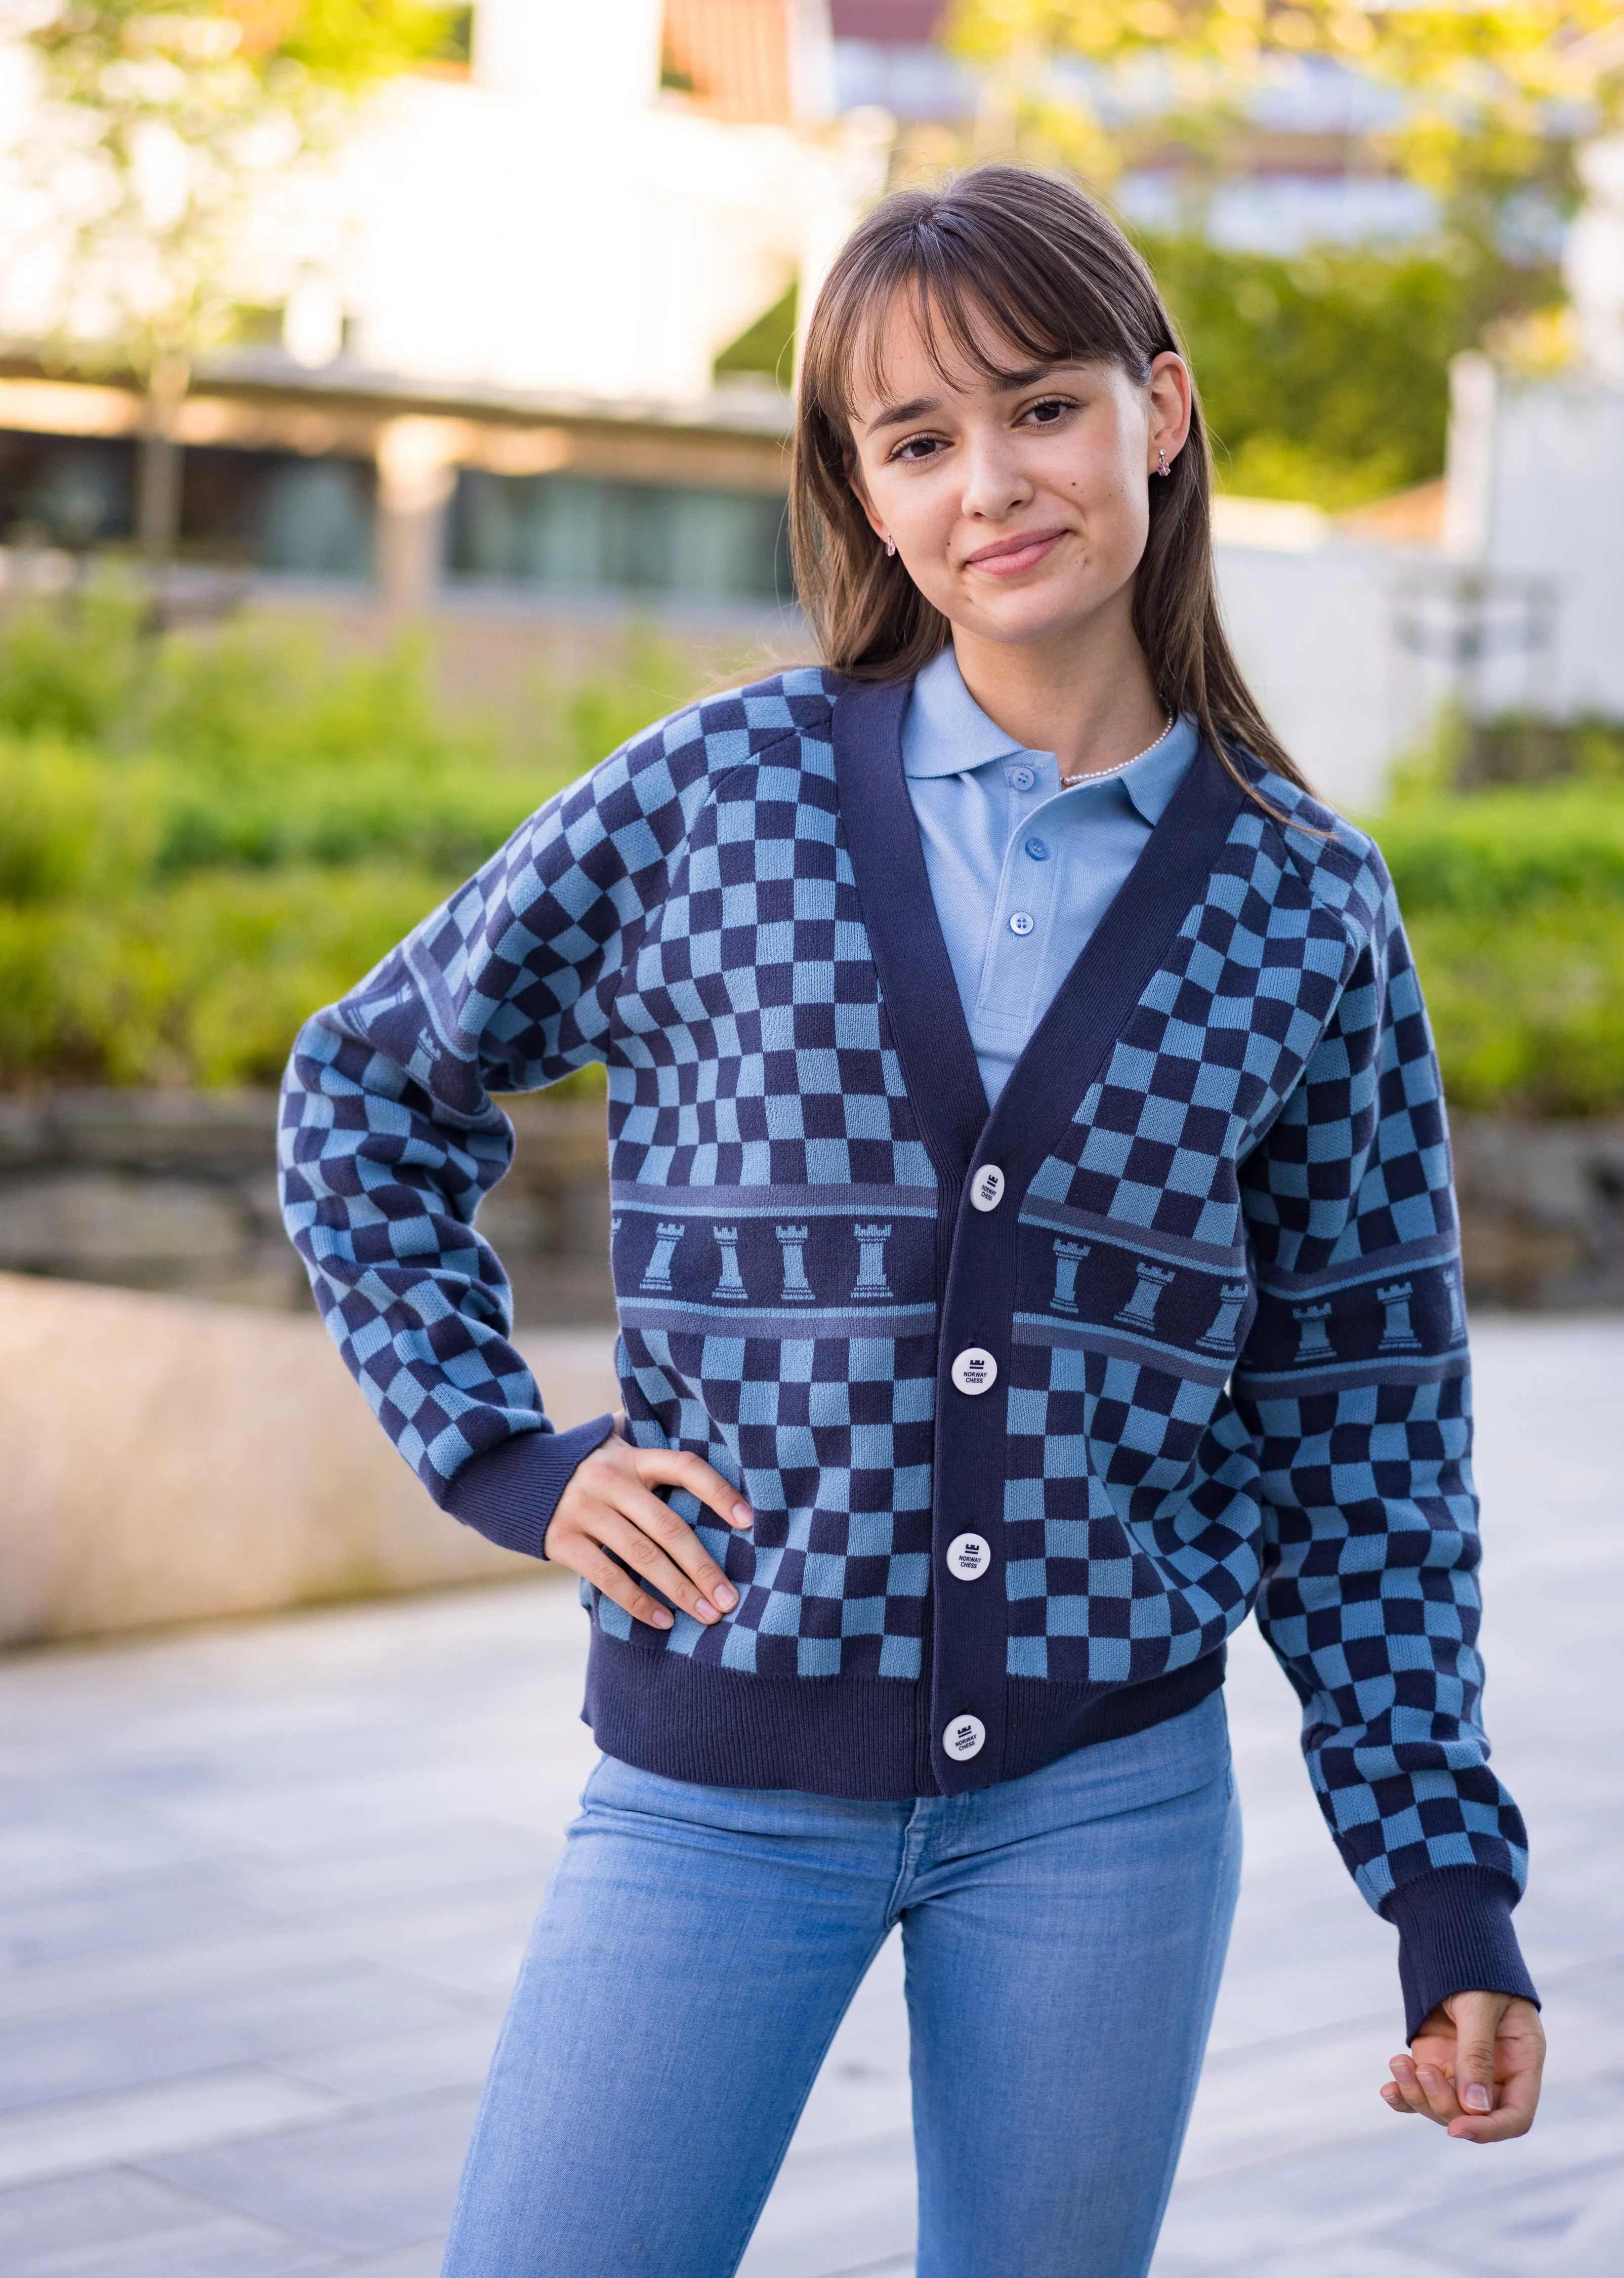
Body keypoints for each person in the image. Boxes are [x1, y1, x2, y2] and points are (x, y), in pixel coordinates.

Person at [278, 164, 1544, 2278]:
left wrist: (1442, 1888)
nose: (991, 487)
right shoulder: (714, 799)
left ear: (1159, 409)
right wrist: (505, 1453)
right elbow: (364, 1087)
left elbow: (1364, 1428)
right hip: (715, 1780)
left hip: (1103, 1810)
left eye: (1039, 408)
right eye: (917, 439)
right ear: (860, 492)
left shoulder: (1302, 907)